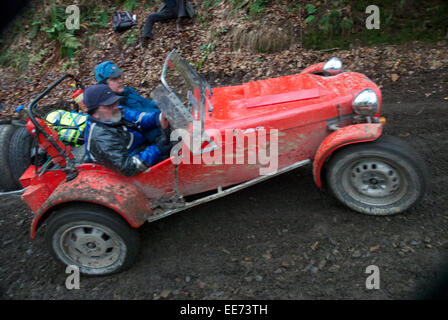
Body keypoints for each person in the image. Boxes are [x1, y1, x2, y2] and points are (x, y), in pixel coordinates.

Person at [83, 84, 171, 177]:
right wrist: (157, 149)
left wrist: (159, 117)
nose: (116, 107)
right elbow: (127, 168)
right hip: (133, 175)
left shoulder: (115, 112)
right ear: (95, 113)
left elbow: (138, 118)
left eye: (115, 102)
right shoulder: (101, 138)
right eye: (109, 105)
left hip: (143, 150)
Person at [94, 60, 161, 143]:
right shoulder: (112, 109)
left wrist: (163, 104)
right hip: (155, 138)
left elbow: (147, 104)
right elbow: (139, 125)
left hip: (163, 121)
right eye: (114, 79)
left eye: (119, 76)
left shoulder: (128, 91)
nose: (120, 81)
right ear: (104, 85)